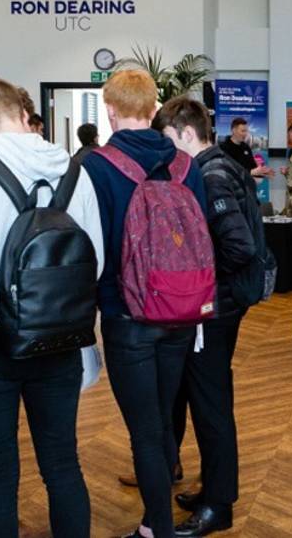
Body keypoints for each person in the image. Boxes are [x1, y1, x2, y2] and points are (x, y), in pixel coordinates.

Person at [0, 77, 104, 537]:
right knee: (63, 466)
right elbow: (97, 263)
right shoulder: (73, 170)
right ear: (22, 114)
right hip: (61, 338)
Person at [82, 70, 207, 538]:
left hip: (126, 315)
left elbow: (89, 250)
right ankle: (157, 520)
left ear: (110, 110)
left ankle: (157, 527)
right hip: (180, 312)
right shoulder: (185, 165)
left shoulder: (96, 166)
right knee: (161, 419)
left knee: (144, 430)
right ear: (155, 110)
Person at [155, 97, 264, 537]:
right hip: (217, 306)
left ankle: (219, 506)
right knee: (207, 402)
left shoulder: (211, 174)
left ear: (185, 132)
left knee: (212, 406)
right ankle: (212, 492)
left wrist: (195, 273)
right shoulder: (219, 166)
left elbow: (240, 247)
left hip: (213, 309)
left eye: (167, 140)